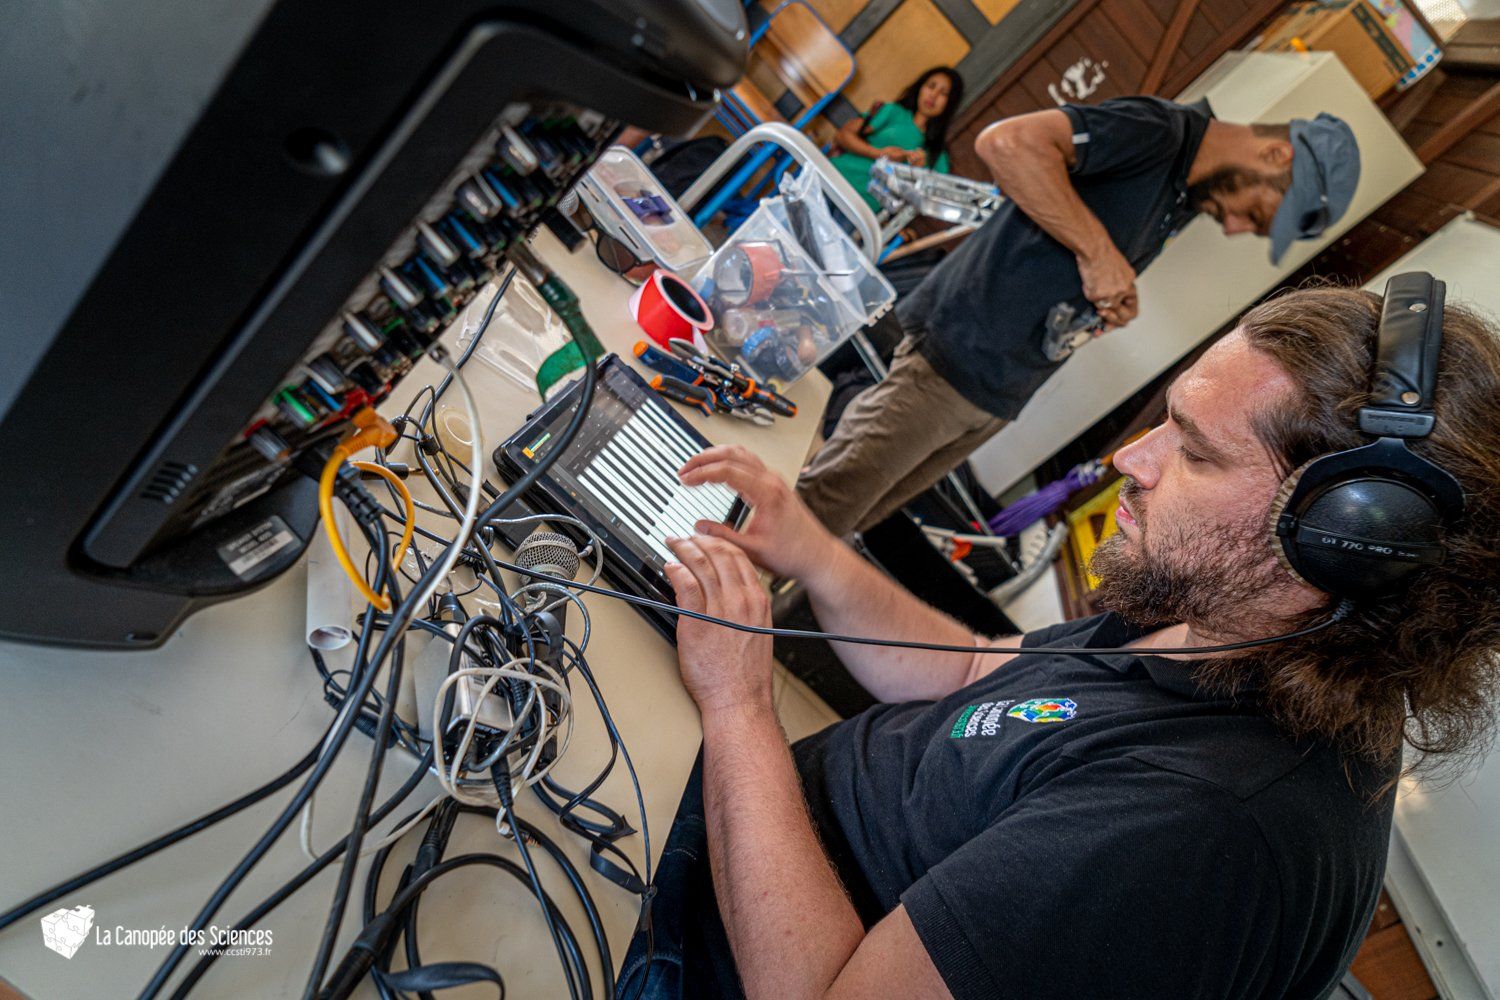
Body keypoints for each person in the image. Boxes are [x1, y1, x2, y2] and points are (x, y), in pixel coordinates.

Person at [615, 283, 1500, 999]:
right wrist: (808, 546)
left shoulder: (1196, 834)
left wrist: (738, 703)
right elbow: (964, 668)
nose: (1131, 460)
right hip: (736, 835)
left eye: (1193, 453)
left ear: (1341, 542)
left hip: (697, 953)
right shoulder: (1216, 620)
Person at [798, 95, 1362, 538]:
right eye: (1255, 213)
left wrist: (1106, 297)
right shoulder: (1159, 131)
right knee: (821, 507)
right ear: (1275, 154)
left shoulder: (1181, 198)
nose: (1236, 227)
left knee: (851, 520)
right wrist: (1098, 255)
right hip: (958, 353)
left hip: (999, 390)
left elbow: (1083, 253)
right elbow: (1009, 143)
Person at [829, 67, 963, 213]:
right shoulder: (892, 111)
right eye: (931, 86)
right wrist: (878, 153)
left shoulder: (937, 157)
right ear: (920, 87)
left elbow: (926, 204)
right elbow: (842, 136)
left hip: (863, 209)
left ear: (950, 103)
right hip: (834, 178)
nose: (933, 95)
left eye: (943, 93)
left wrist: (916, 173)